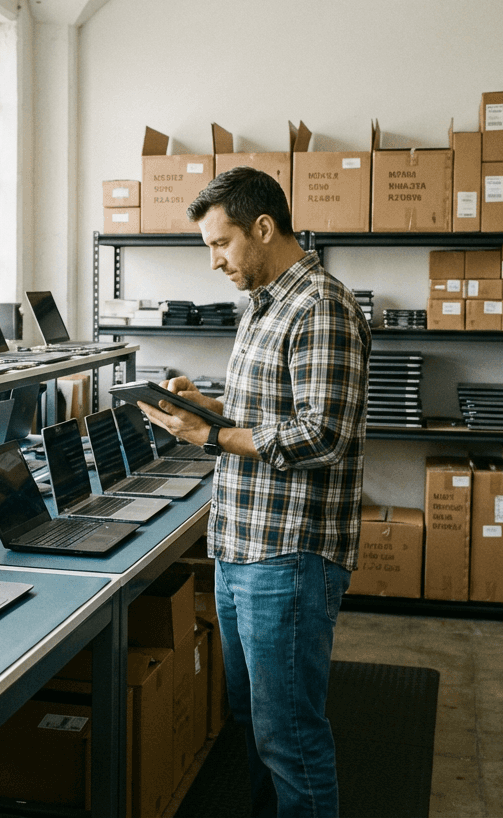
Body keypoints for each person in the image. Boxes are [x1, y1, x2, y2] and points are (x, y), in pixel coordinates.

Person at [136, 166, 370, 818]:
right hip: (242, 544)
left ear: (263, 227)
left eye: (220, 243)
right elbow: (266, 413)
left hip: (289, 553)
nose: (213, 261)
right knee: (254, 722)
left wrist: (210, 439)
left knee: (289, 736)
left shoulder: (320, 307)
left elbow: (322, 435)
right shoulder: (265, 305)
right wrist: (207, 409)